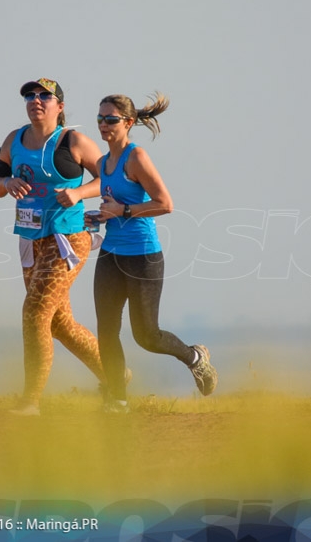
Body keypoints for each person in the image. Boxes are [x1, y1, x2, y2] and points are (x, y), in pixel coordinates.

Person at [0, 78, 108, 416]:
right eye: (30, 95)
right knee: (58, 323)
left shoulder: (74, 141)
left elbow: (111, 179)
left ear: (60, 107)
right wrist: (6, 181)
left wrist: (80, 193)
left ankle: (30, 402)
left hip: (68, 240)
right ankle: (115, 377)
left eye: (44, 96)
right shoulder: (15, 140)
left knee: (34, 311)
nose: (35, 101)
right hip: (30, 240)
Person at [91, 93, 217, 413]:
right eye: (100, 118)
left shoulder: (137, 158)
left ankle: (195, 357)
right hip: (110, 254)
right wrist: (97, 216)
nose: (104, 125)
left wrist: (124, 210)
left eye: (111, 119)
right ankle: (117, 400)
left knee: (146, 336)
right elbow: (114, 207)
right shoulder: (103, 163)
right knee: (106, 330)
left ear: (128, 123)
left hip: (143, 256)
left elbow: (165, 204)